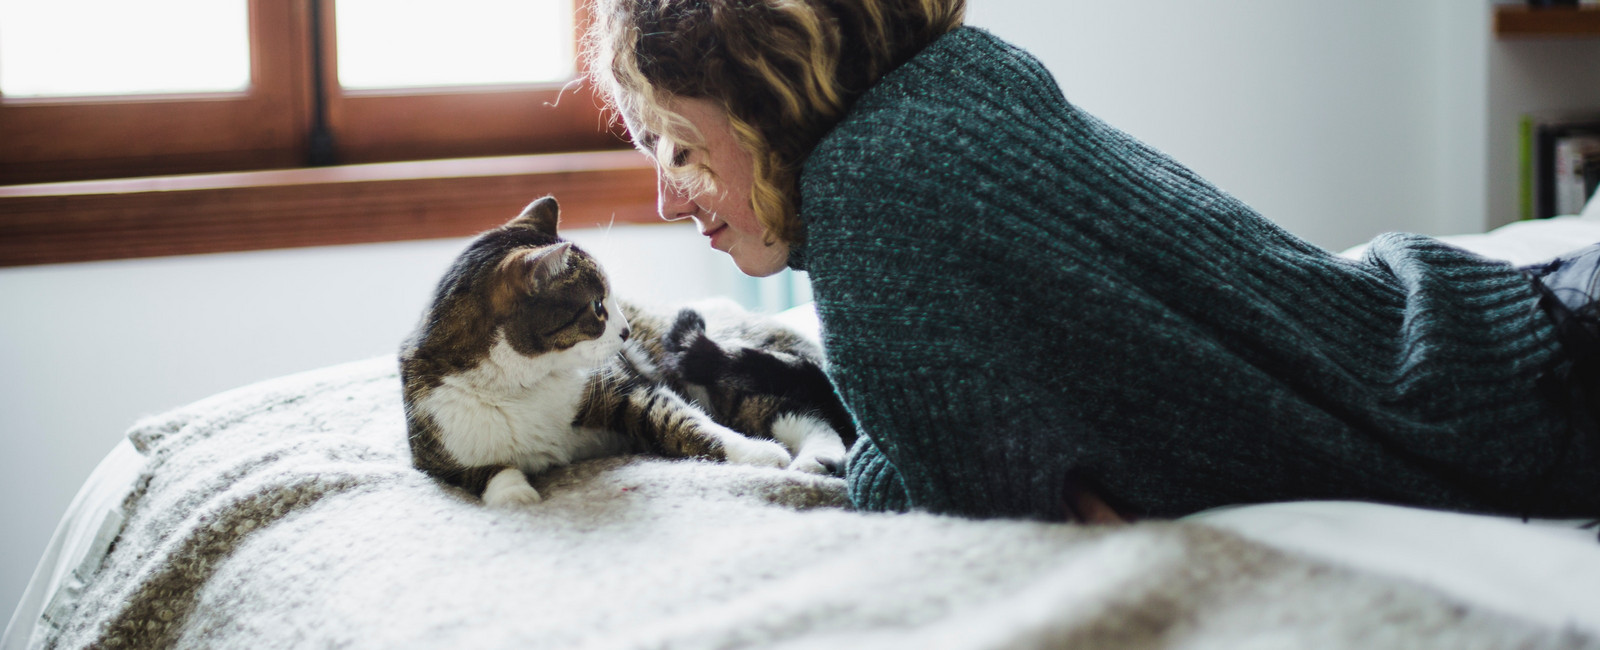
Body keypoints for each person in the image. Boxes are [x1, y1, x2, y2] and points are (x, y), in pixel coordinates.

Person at [582, 0, 1600, 523]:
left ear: (760, 93)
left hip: (1529, 393)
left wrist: (877, 457)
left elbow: (977, 503)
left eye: (679, 146)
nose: (670, 197)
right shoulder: (954, 80)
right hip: (1492, 321)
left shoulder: (864, 204)